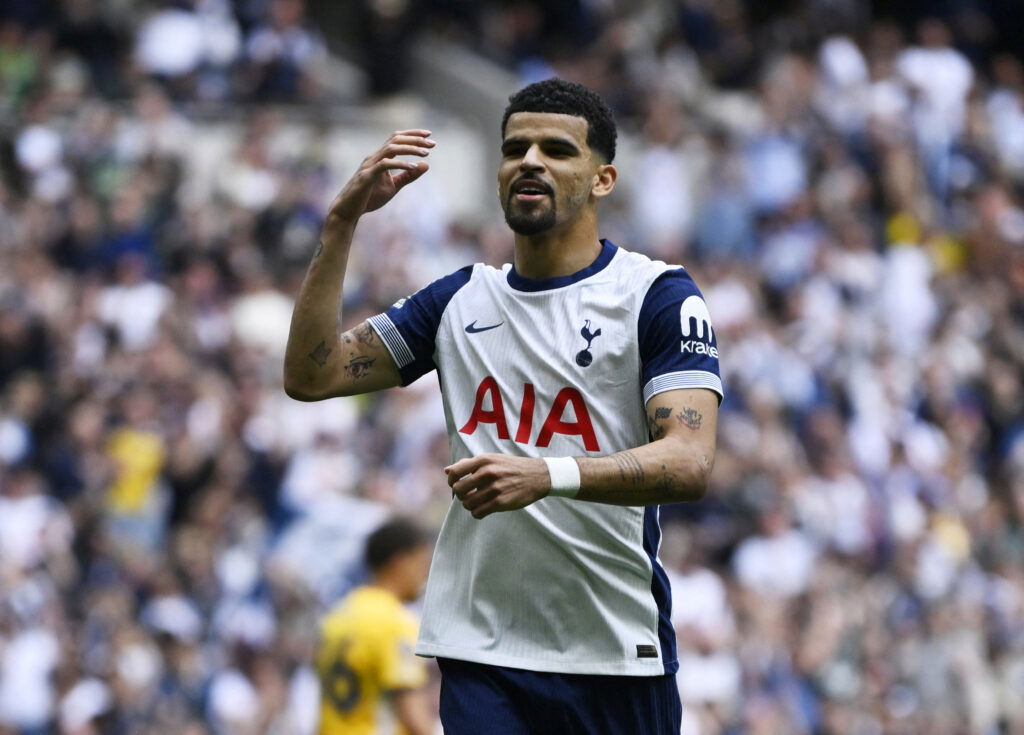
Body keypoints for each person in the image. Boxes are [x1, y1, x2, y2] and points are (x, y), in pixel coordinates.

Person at [285, 78, 722, 734]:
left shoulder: (655, 295)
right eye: (515, 147)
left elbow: (688, 461)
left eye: (556, 149)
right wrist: (341, 223)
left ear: (603, 179)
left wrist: (548, 473)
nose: (531, 161)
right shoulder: (459, 300)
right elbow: (311, 375)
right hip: (480, 647)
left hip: (611, 649)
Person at [315, 517, 435, 735]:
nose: (425, 574)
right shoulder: (395, 621)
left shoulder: (337, 618)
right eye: (422, 563)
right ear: (401, 562)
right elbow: (412, 711)